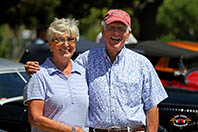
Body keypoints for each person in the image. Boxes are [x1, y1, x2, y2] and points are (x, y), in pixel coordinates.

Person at [25, 9, 168, 132]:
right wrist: (36, 69)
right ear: (103, 30)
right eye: (112, 27)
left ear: (128, 33)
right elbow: (62, 62)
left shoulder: (142, 63)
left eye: (121, 28)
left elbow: (152, 107)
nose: (116, 33)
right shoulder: (85, 60)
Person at [23, 18, 89, 132]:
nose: (66, 44)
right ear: (50, 44)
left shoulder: (83, 73)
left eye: (70, 39)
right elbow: (35, 119)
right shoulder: (39, 76)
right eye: (59, 40)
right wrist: (72, 130)